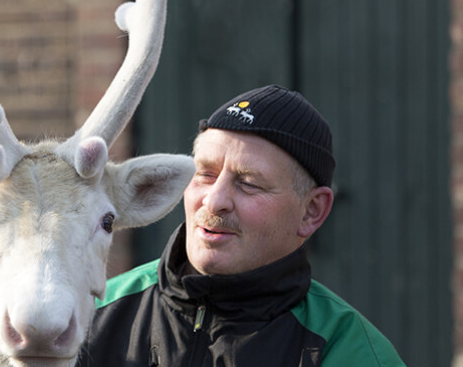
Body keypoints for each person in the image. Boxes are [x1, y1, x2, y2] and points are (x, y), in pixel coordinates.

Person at [77, 85, 405, 366]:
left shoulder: (352, 352)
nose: (214, 200)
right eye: (204, 174)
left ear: (311, 211)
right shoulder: (90, 317)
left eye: (248, 182)